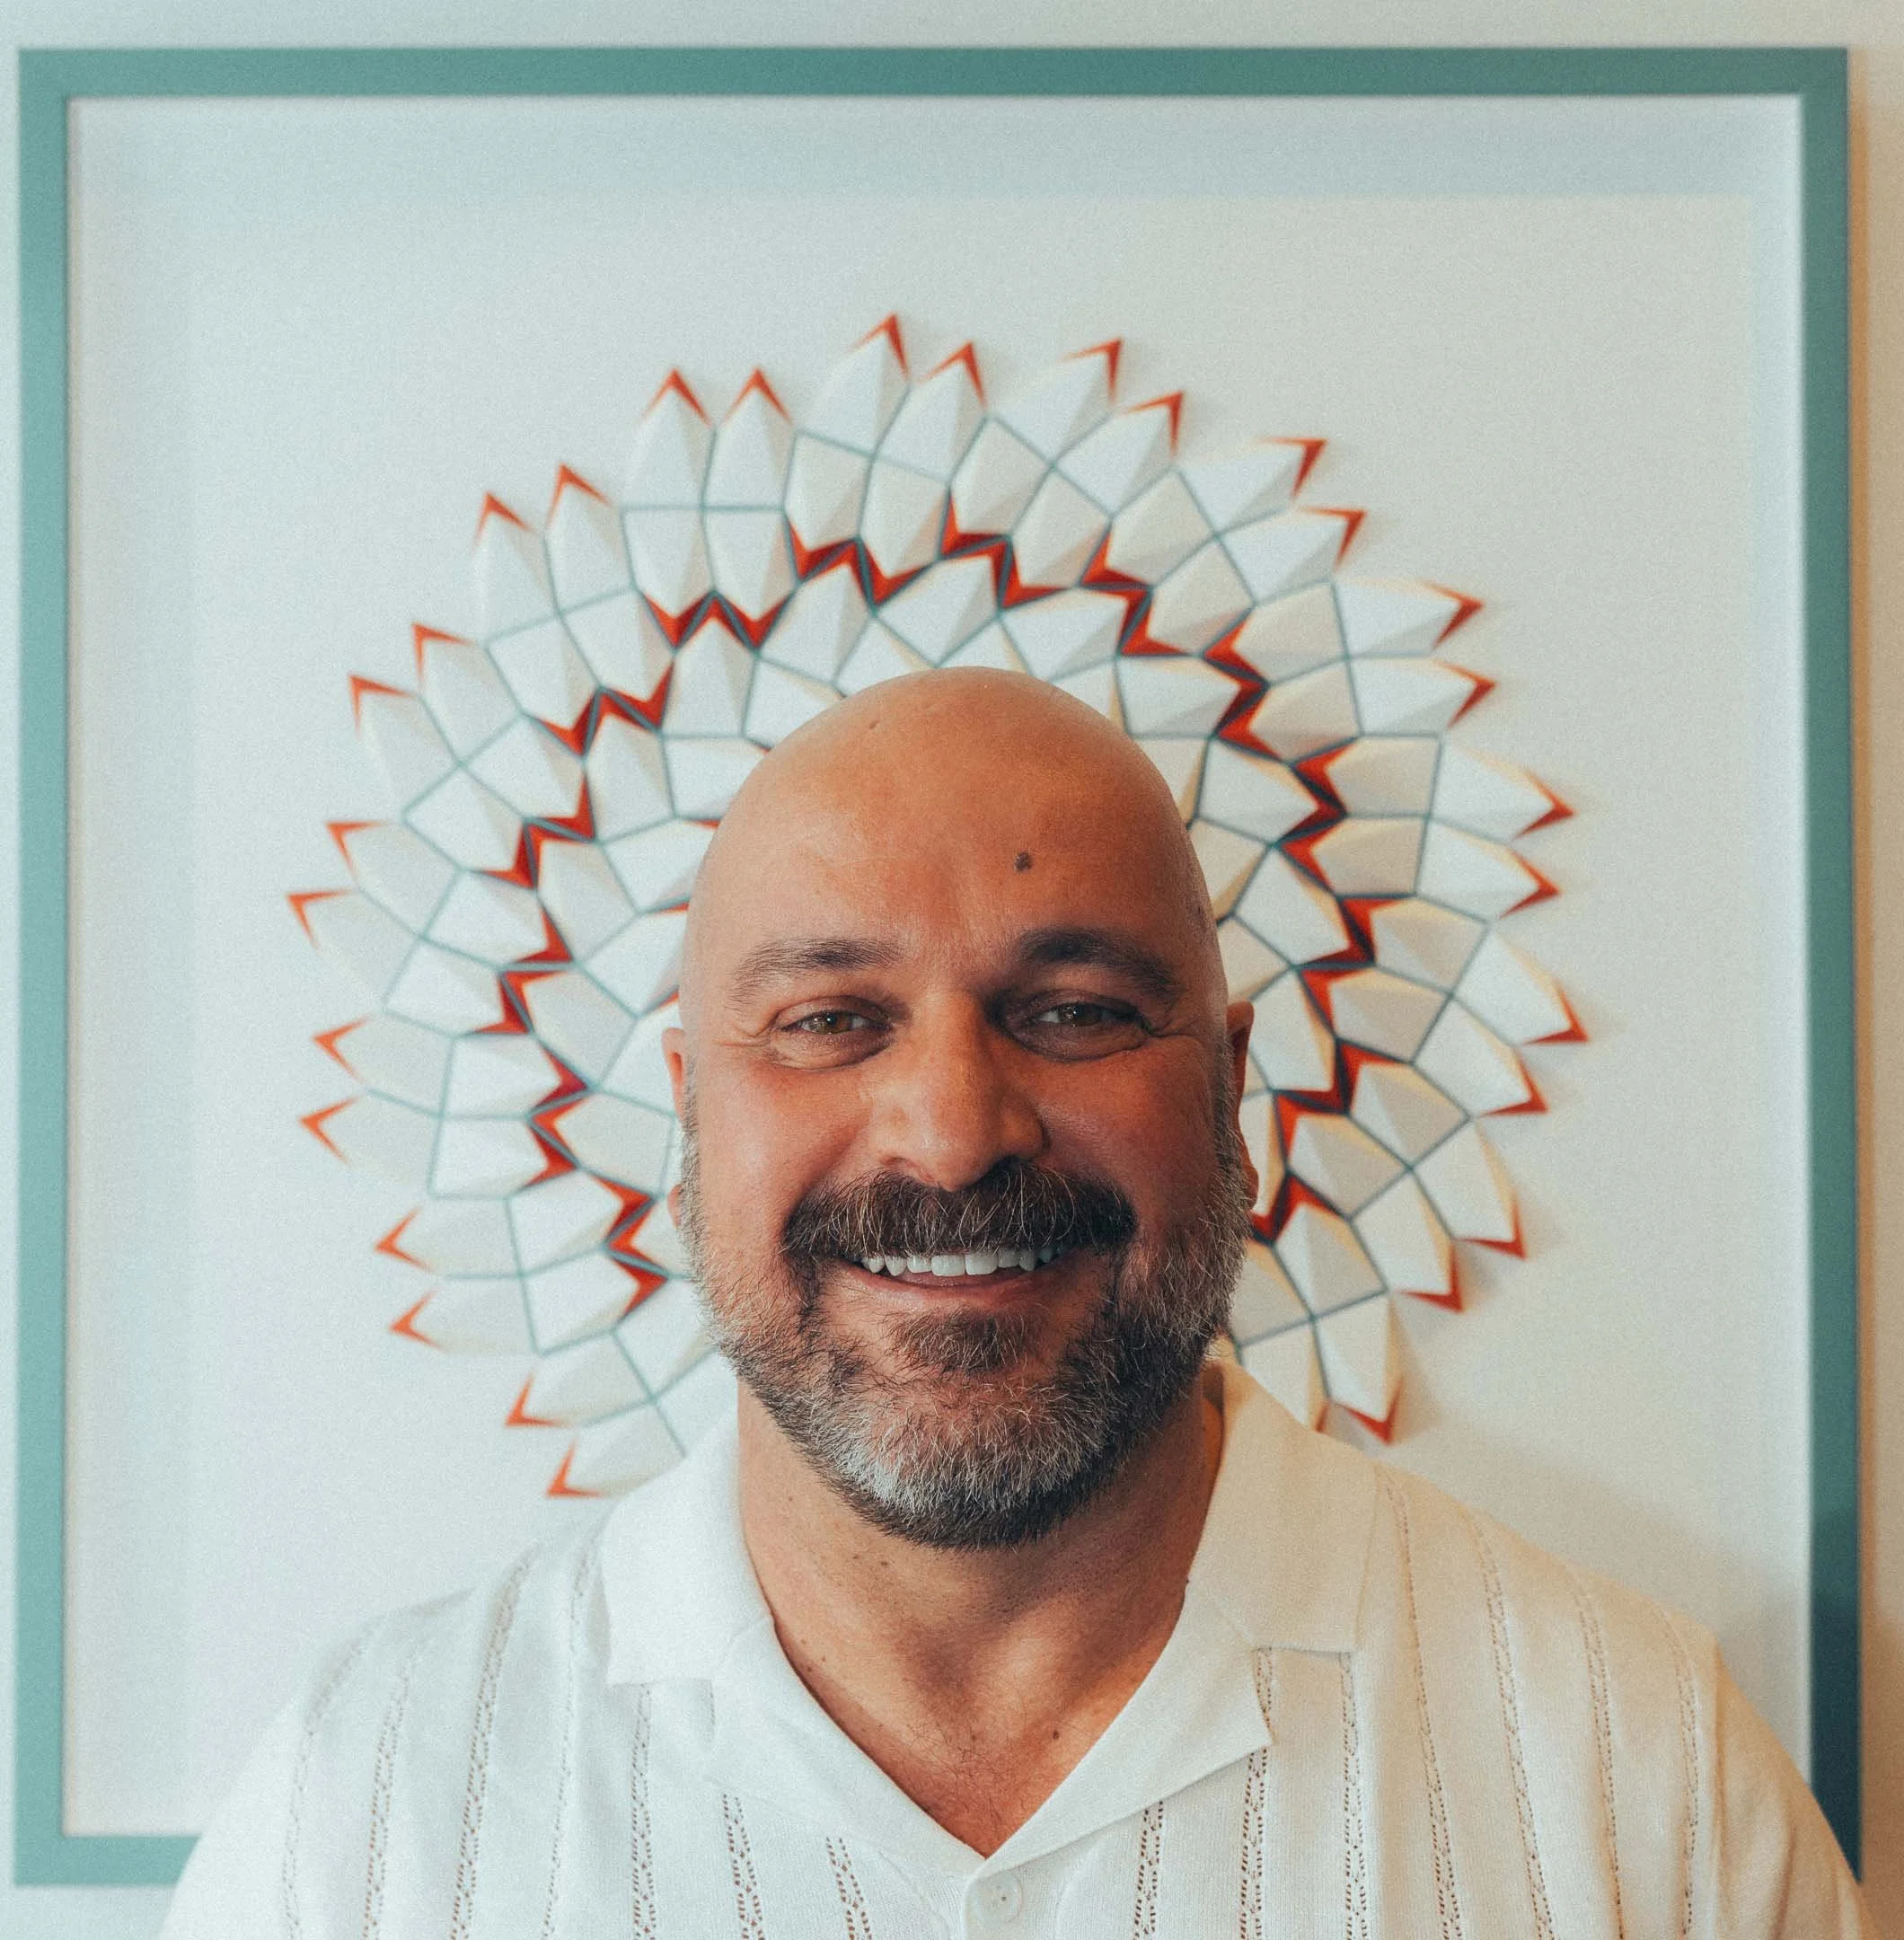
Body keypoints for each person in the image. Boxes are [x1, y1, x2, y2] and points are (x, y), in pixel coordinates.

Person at [162, 668, 1873, 1937]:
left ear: (1230, 1093)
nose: (953, 1130)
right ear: (690, 1110)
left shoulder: (1640, 1780)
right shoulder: (367, 1811)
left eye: (1073, 1012)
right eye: (832, 1021)